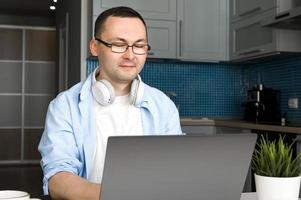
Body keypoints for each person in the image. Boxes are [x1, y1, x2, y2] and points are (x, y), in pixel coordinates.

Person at [38, 6, 182, 200]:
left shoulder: (164, 106)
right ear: (95, 47)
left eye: (139, 45)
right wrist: (118, 195)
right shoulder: (64, 106)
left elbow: (175, 169)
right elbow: (58, 179)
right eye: (118, 44)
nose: (130, 55)